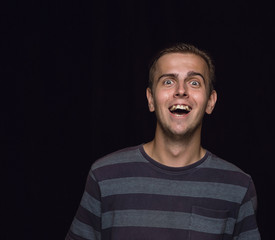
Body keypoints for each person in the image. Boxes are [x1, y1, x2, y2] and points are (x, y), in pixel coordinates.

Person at [66, 43, 261, 240]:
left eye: (194, 82)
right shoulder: (104, 176)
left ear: (211, 101)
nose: (181, 91)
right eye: (168, 81)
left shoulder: (238, 187)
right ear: (150, 99)